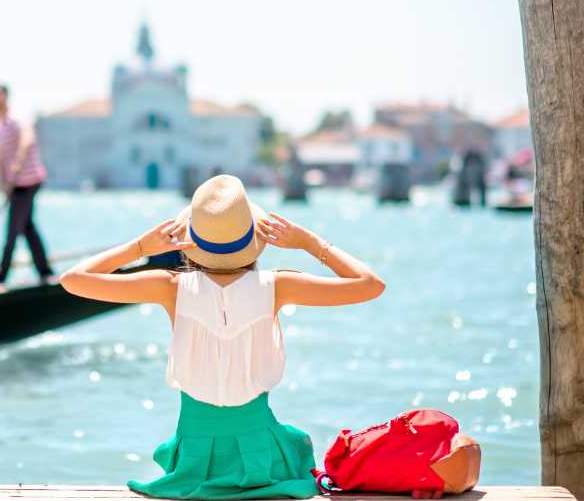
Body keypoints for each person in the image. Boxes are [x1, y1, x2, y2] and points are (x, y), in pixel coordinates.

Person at [59, 174, 385, 499]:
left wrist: (140, 247)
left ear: (194, 241)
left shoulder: (170, 288)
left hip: (194, 461)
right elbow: (370, 284)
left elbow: (73, 280)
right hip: (263, 458)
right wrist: (309, 242)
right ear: (252, 240)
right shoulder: (278, 286)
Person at [0, 82, 53, 285]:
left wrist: (18, 162)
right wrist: (3, 183)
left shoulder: (18, 118)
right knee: (27, 227)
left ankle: (1, 275)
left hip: (29, 181)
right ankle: (45, 271)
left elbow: (28, 138)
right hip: (14, 185)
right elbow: (1, 156)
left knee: (13, 228)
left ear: (5, 96)